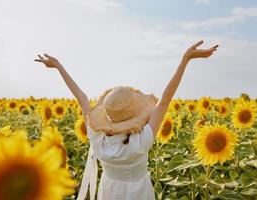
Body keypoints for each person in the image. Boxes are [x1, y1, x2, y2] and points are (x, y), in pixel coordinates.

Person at [34, 40, 219, 200]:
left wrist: (59, 67)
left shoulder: (98, 139)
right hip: (139, 192)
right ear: (135, 115)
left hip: (109, 191)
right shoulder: (141, 140)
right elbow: (165, 101)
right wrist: (185, 59)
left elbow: (81, 98)